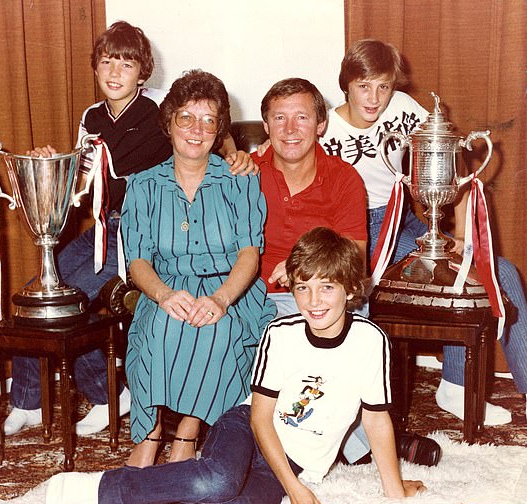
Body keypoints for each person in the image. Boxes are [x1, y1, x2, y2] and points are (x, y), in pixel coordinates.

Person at [43, 227, 426, 504]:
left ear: (352, 289)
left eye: (327, 288)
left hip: (294, 460)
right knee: (217, 480)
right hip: (246, 426)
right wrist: (295, 492)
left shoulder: (370, 341)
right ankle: (98, 489)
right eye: (303, 288)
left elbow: (376, 421)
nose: (313, 301)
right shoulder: (282, 334)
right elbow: (260, 418)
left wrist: (394, 491)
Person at [4, 21, 257, 438]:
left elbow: (213, 128)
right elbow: (84, 181)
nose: (115, 72)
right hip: (104, 226)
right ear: (96, 68)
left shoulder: (160, 105)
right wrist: (51, 162)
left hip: (142, 233)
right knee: (38, 291)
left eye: (127, 63)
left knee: (68, 302)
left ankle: (108, 395)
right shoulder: (91, 116)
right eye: (107, 62)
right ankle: (29, 399)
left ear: (143, 72)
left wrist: (236, 156)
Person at [320, 38, 527, 423]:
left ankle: (466, 382)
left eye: (383, 86)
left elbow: (456, 162)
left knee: (501, 274)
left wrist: (464, 238)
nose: (375, 98)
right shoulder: (325, 126)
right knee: (441, 281)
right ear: (345, 83)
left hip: (412, 223)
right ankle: (449, 387)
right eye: (363, 86)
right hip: (355, 234)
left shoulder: (401, 107)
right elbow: (278, 150)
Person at [253, 77, 440, 467]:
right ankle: (364, 445)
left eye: (302, 117)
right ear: (266, 126)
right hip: (257, 295)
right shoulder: (245, 173)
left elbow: (353, 258)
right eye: (280, 118)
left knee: (354, 330)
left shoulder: (343, 178)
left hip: (321, 291)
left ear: (321, 125)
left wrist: (304, 267)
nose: (290, 129)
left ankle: (360, 436)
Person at [120, 69, 276, 467]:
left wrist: (221, 299)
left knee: (216, 330)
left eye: (209, 120)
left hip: (231, 288)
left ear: (219, 129)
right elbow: (137, 259)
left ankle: (187, 437)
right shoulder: (142, 185)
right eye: (186, 117)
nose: (196, 129)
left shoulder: (241, 180)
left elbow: (249, 254)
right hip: (166, 284)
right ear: (169, 122)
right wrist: (164, 295)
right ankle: (150, 435)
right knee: (158, 326)